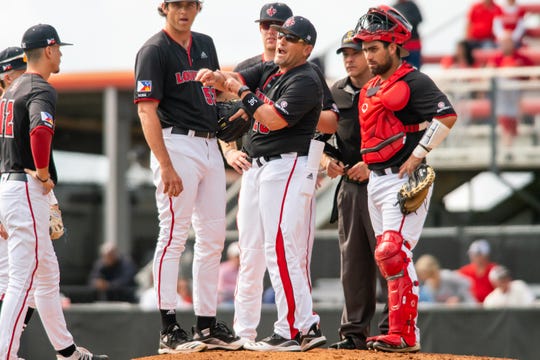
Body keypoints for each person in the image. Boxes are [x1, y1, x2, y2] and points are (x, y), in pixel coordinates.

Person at [196, 15, 327, 352]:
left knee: (282, 247)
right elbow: (237, 78)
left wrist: (240, 92)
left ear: (306, 48)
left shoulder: (306, 78)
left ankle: (292, 329)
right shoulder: (273, 71)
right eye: (280, 35)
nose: (280, 41)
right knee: (263, 250)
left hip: (287, 165)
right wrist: (221, 79)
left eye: (290, 38)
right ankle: (302, 326)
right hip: (260, 168)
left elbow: (272, 118)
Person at [134, 0, 243, 354]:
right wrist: (164, 164)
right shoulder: (153, 50)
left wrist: (225, 82)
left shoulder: (206, 44)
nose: (184, 10)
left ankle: (207, 324)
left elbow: (221, 92)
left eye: (190, 4)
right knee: (174, 234)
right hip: (174, 143)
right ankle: (169, 329)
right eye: (177, 4)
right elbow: (147, 112)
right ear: (164, 7)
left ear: (198, 8)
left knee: (212, 237)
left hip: (210, 145)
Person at [0, 24, 108, 360]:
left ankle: (66, 351)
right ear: (47, 50)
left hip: (9, 184)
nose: (60, 53)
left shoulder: (10, 91)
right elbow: (40, 131)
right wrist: (44, 174)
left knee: (46, 273)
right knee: (23, 279)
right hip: (25, 188)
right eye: (58, 48)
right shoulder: (39, 86)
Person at [354, 5, 458, 353]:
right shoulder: (373, 86)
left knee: (392, 252)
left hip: (403, 178)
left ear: (394, 45)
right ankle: (399, 333)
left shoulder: (413, 80)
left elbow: (446, 116)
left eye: (374, 47)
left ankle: (404, 335)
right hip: (377, 181)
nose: (368, 55)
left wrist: (418, 155)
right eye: (365, 48)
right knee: (390, 257)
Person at [323, 30, 388, 350]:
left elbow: (404, 135)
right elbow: (320, 138)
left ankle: (393, 327)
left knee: (389, 256)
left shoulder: (389, 86)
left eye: (355, 52)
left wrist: (373, 164)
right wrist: (326, 160)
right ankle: (353, 333)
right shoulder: (335, 92)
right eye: (345, 54)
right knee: (353, 261)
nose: (349, 59)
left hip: (386, 181)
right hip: (350, 184)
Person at [487, 32, 533, 152]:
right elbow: (488, 73)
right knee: (505, 121)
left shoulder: (522, 58)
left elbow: (532, 76)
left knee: (512, 122)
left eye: (508, 42)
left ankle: (509, 147)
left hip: (518, 96)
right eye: (504, 42)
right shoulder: (496, 58)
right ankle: (508, 148)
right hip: (503, 97)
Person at [393, 0, 423, 69]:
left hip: (413, 44)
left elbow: (419, 19)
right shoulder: (394, 7)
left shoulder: (412, 5)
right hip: (400, 46)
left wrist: (403, 22)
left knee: (415, 70)